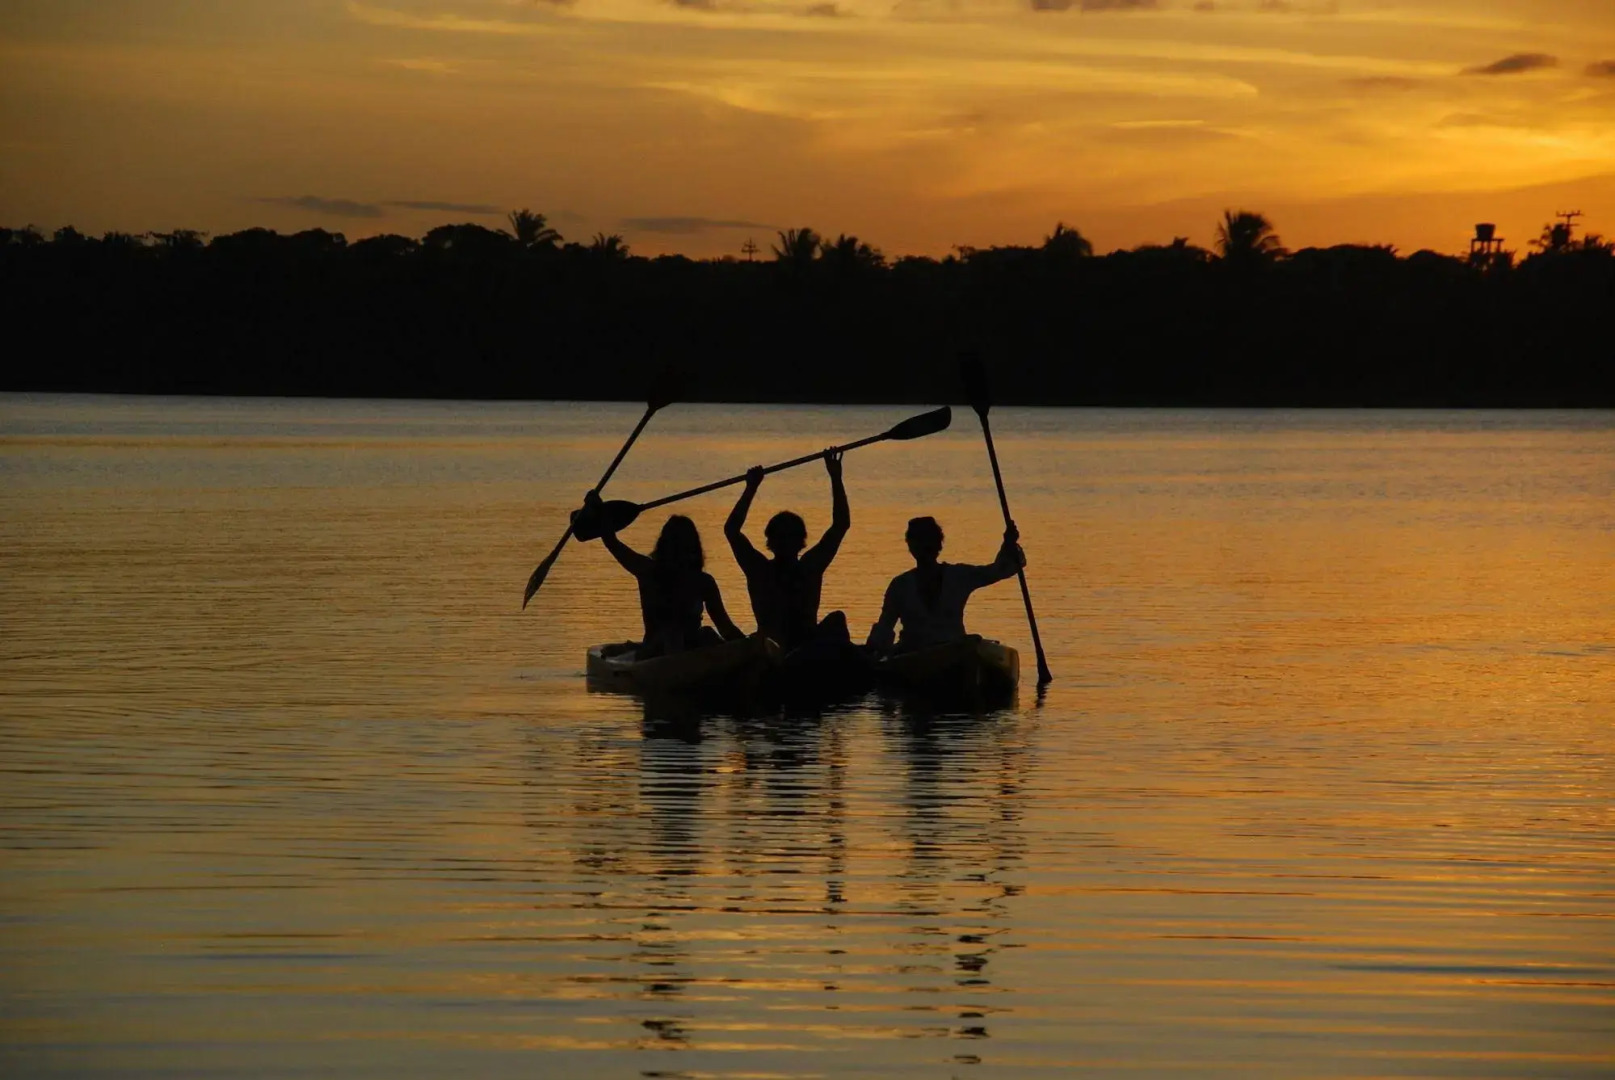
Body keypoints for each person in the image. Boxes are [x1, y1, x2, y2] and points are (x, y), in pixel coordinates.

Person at [586, 491, 744, 658]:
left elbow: (725, 626)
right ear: (666, 547)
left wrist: (752, 645)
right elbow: (612, 542)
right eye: (677, 545)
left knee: (707, 633)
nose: (681, 552)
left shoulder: (704, 582)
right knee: (672, 635)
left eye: (686, 545)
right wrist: (597, 508)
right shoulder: (648, 571)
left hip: (692, 652)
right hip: (655, 652)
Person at [725, 449, 851, 652]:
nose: (784, 543)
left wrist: (752, 487)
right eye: (781, 537)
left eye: (788, 537)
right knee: (837, 620)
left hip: (803, 648)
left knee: (837, 619)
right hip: (776, 648)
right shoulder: (802, 567)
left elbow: (732, 530)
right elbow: (840, 525)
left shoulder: (765, 569)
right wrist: (835, 477)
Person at [867, 517, 1025, 652]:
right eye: (919, 541)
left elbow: (998, 570)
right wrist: (873, 652)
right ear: (911, 547)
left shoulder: (958, 576)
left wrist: (1008, 544)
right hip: (912, 655)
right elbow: (885, 628)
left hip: (953, 650)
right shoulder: (900, 586)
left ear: (938, 545)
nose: (924, 548)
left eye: (928, 541)